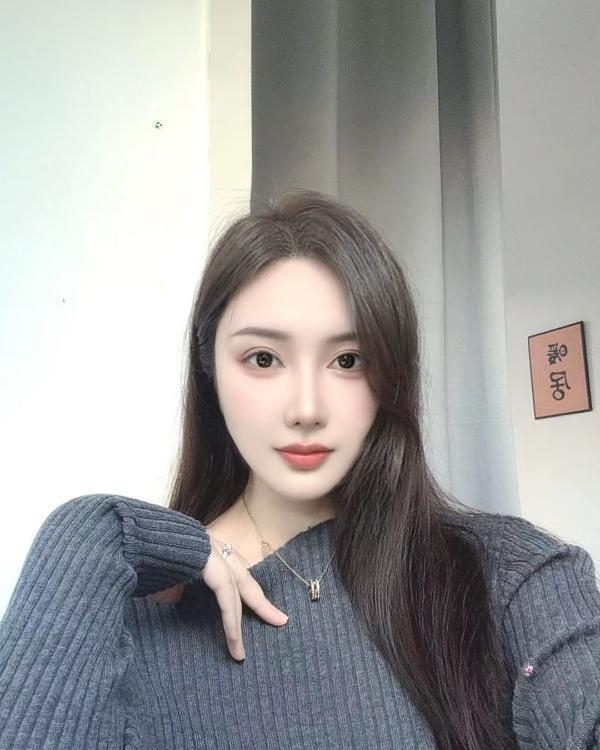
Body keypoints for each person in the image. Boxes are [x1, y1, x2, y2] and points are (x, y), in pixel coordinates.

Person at [0, 191, 599, 750]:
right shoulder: (130, 625)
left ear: (390, 374)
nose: (306, 409)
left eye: (348, 360)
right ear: (209, 367)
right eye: (263, 358)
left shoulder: (510, 576)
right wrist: (90, 533)